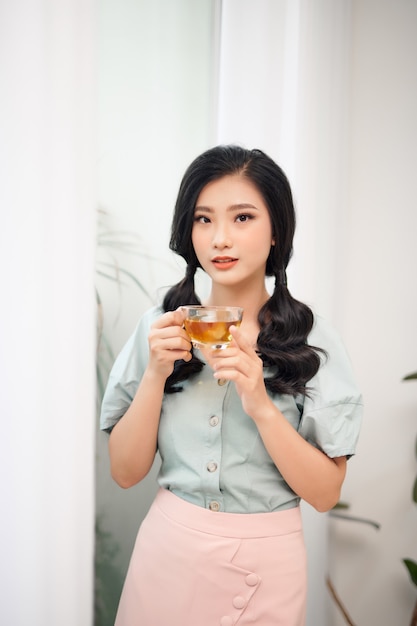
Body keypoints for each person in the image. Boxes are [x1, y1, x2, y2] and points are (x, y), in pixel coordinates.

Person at [100, 145, 363, 626]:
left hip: (266, 566)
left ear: (275, 229)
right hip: (166, 556)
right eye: (204, 219)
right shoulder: (159, 331)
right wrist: (156, 374)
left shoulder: (314, 342)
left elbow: (325, 494)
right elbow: (123, 471)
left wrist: (260, 404)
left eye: (242, 218)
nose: (220, 238)